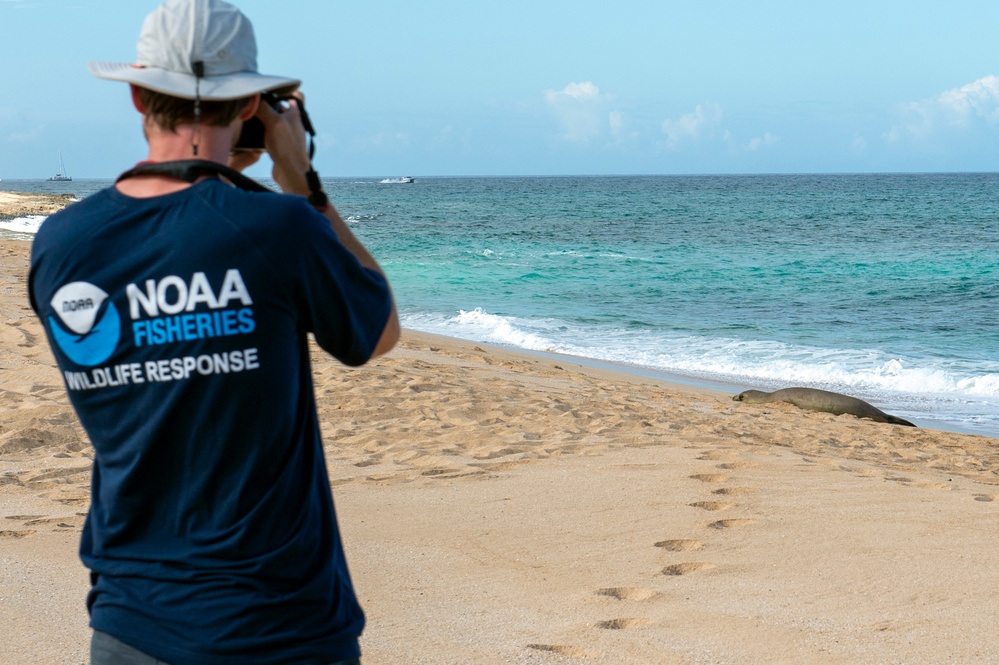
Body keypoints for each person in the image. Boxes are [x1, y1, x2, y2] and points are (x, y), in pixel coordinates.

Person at [28, 0, 399, 663]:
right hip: (275, 625)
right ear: (252, 103)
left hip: (129, 619)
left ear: (140, 94)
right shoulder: (280, 229)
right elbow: (376, 331)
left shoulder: (62, 244)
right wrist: (299, 180)